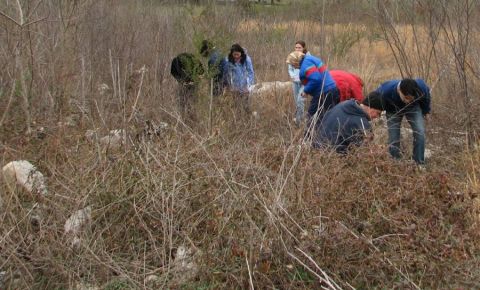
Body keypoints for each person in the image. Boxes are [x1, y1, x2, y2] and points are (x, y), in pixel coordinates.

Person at [369, 78, 431, 164]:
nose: (408, 101)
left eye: (410, 98)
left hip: (413, 108)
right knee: (394, 136)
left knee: (420, 132)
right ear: (399, 90)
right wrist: (376, 113)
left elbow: (426, 96)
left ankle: (419, 162)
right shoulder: (385, 90)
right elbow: (374, 99)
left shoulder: (420, 86)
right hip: (392, 110)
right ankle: (395, 161)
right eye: (406, 98)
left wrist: (426, 111)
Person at [313, 92, 384, 153]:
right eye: (378, 113)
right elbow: (365, 151)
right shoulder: (362, 123)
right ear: (370, 107)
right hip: (333, 158)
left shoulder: (343, 105)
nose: (377, 117)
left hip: (316, 149)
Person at [286, 51, 339, 128]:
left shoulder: (305, 65)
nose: (293, 66)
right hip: (333, 89)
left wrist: (305, 90)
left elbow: (315, 79)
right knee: (329, 115)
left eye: (292, 64)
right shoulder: (310, 59)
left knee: (312, 116)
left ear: (296, 61)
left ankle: (310, 137)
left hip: (323, 92)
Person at [170, 52, 204, 119]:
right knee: (189, 102)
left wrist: (193, 81)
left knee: (188, 103)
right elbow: (201, 72)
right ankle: (188, 117)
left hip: (191, 84)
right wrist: (182, 81)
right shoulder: (177, 61)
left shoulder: (192, 59)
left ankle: (188, 117)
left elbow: (201, 72)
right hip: (187, 85)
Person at [223, 44, 255, 113]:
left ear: (241, 53)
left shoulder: (246, 59)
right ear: (232, 54)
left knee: (246, 105)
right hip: (235, 86)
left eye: (238, 54)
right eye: (234, 55)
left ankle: (247, 117)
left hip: (245, 86)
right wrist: (229, 86)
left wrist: (249, 86)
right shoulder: (228, 60)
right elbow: (227, 74)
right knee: (236, 105)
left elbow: (250, 73)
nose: (236, 56)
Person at [287, 40, 310, 126]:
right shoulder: (292, 56)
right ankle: (300, 119)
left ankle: (299, 121)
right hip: (295, 82)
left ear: (303, 48)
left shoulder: (307, 57)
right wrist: (292, 76)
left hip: (305, 82)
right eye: (296, 47)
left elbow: (310, 70)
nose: (297, 49)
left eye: (299, 47)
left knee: (300, 100)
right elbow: (290, 68)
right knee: (297, 101)